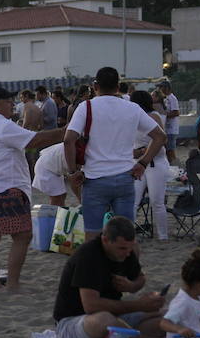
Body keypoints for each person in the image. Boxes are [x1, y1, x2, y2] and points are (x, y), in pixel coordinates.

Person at [0, 87, 67, 289]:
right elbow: (35, 140)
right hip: (3, 188)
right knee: (22, 236)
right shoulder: (1, 124)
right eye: (8, 101)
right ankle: (12, 285)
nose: (13, 104)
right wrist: (66, 132)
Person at [63, 67, 166, 238]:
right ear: (118, 86)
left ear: (95, 86)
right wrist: (143, 162)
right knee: (126, 236)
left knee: (93, 235)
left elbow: (68, 140)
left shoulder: (86, 107)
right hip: (125, 177)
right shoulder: (132, 108)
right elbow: (160, 137)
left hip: (94, 179)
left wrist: (73, 172)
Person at [50, 216, 166, 338]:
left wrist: (132, 286)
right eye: (122, 248)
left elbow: (140, 278)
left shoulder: (127, 250)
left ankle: (123, 337)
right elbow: (91, 306)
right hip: (74, 322)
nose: (127, 253)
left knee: (164, 316)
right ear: (105, 240)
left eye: (130, 247)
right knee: (104, 320)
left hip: (114, 316)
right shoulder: (88, 255)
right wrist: (139, 305)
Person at [130, 90, 170, 241]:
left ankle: (163, 235)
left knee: (156, 201)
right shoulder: (131, 118)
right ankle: (130, 235)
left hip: (155, 162)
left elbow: (161, 140)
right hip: (136, 160)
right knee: (133, 200)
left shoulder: (153, 116)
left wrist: (143, 152)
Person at [31, 142, 78, 207]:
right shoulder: (76, 147)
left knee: (62, 195)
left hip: (51, 164)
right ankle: (54, 215)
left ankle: (57, 214)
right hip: (46, 167)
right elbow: (74, 180)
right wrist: (82, 201)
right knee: (57, 197)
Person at [156, 79, 180, 163]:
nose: (160, 89)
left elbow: (176, 112)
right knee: (167, 150)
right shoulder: (165, 98)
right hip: (166, 129)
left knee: (170, 151)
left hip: (171, 129)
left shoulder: (172, 98)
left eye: (161, 87)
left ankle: (175, 166)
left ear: (167, 88)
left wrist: (163, 115)